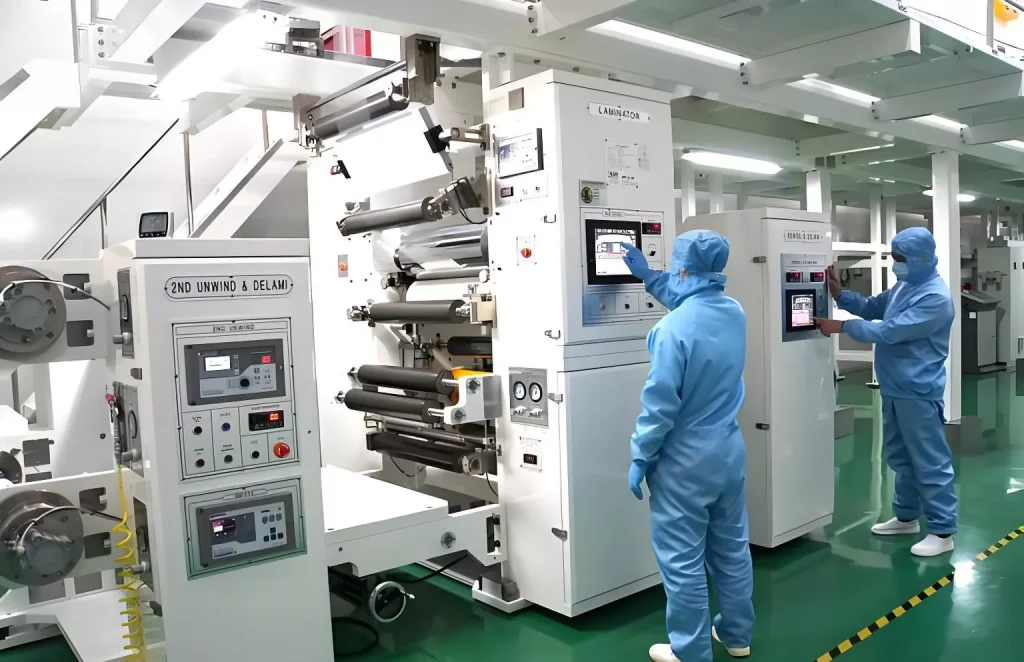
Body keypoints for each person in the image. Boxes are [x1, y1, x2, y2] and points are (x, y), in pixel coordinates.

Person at [622, 232, 754, 662]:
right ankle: (736, 635)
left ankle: (690, 651)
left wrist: (640, 456)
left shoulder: (669, 330)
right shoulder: (734, 312)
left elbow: (659, 405)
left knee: (682, 560)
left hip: (685, 461)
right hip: (728, 451)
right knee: (731, 548)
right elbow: (694, 300)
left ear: (681, 268)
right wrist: (649, 278)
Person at [815, 226, 957, 557]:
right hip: (895, 386)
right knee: (901, 456)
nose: (895, 264)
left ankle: (942, 530)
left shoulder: (934, 298)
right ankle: (906, 516)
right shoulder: (906, 287)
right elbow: (873, 307)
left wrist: (841, 327)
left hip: (918, 390)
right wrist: (840, 294)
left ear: (920, 258)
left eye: (899, 258)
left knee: (929, 460)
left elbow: (891, 331)